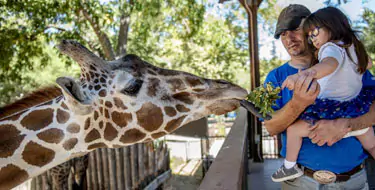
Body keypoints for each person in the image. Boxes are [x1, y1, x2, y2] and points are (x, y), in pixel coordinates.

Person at [263, 4, 375, 189]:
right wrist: (297, 104)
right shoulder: (274, 78)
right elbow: (270, 126)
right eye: (282, 34)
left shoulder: (346, 61)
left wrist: (346, 126)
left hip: (353, 179)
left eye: (295, 30)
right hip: (300, 182)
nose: (289, 38)